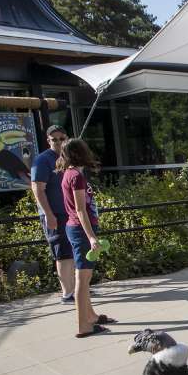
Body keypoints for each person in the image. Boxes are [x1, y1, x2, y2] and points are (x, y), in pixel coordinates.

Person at [58, 139, 116, 338]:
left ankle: (90, 316)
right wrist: (91, 237)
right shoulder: (76, 176)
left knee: (85, 277)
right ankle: (84, 326)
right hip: (81, 231)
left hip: (77, 229)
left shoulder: (72, 173)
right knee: (82, 279)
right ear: (81, 153)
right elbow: (80, 210)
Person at [30, 125, 75, 304]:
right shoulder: (42, 160)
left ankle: (77, 288)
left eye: (61, 139)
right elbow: (38, 189)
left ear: (66, 138)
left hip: (71, 212)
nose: (58, 142)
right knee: (62, 252)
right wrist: (48, 214)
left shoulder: (69, 158)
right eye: (53, 139)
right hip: (55, 213)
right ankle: (67, 293)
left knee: (74, 251)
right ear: (48, 141)